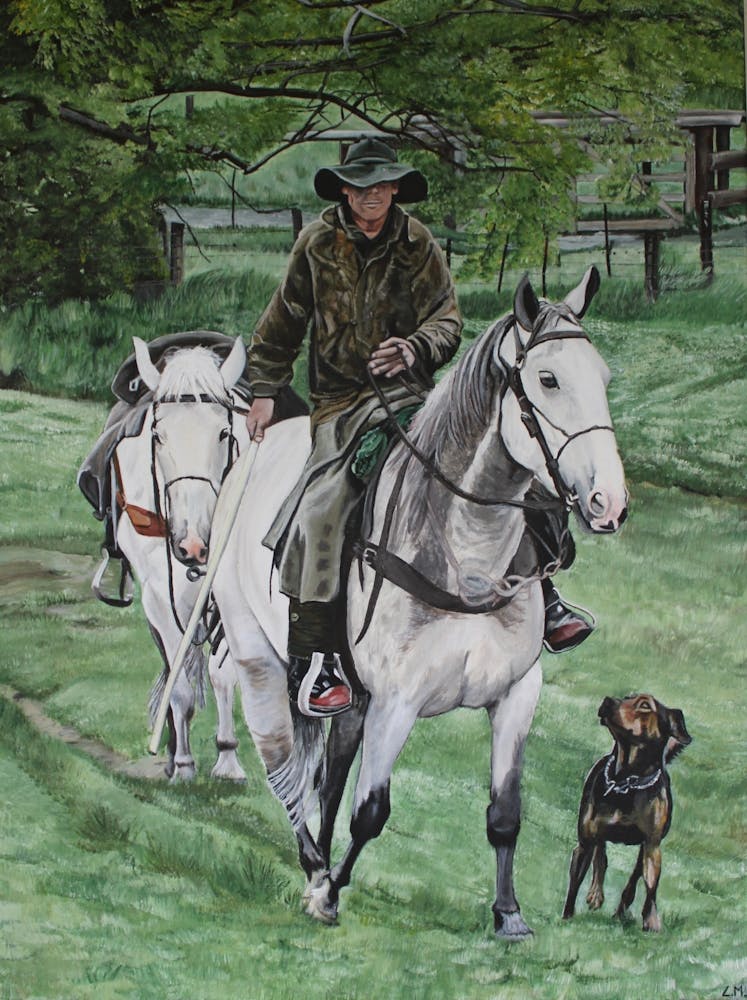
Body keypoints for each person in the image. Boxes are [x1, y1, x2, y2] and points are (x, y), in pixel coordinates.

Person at [244, 137, 591, 718]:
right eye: (360, 185)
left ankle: (546, 594)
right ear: (345, 189)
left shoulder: (419, 244)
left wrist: (413, 347)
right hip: (340, 403)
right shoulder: (316, 245)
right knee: (324, 501)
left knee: (504, 471)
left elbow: (448, 321)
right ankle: (316, 656)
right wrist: (261, 389)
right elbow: (283, 319)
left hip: (413, 395)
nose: (370, 194)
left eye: (381, 184)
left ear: (395, 188)